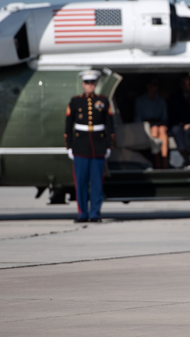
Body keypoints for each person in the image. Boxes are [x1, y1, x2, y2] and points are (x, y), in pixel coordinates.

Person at [65, 70, 115, 223]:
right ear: (83, 84)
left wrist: (109, 145)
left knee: (97, 183)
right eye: (87, 83)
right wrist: (69, 146)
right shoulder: (75, 102)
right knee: (80, 182)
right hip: (80, 146)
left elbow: (110, 125)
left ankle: (95, 213)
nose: (90, 85)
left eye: (92, 82)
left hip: (98, 146)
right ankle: (82, 214)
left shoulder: (103, 101)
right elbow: (68, 126)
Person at [167, 75, 190, 168]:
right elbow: (172, 116)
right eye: (188, 83)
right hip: (180, 124)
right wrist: (183, 124)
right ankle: (186, 157)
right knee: (177, 130)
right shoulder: (175, 97)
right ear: (182, 85)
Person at [135, 77, 169, 168]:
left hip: (159, 125)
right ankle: (157, 162)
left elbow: (164, 117)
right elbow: (138, 118)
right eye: (154, 84)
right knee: (154, 129)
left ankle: (164, 162)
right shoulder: (140, 100)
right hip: (146, 126)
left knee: (161, 129)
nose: (156, 87)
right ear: (148, 86)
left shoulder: (161, 100)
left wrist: (163, 123)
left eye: (157, 84)